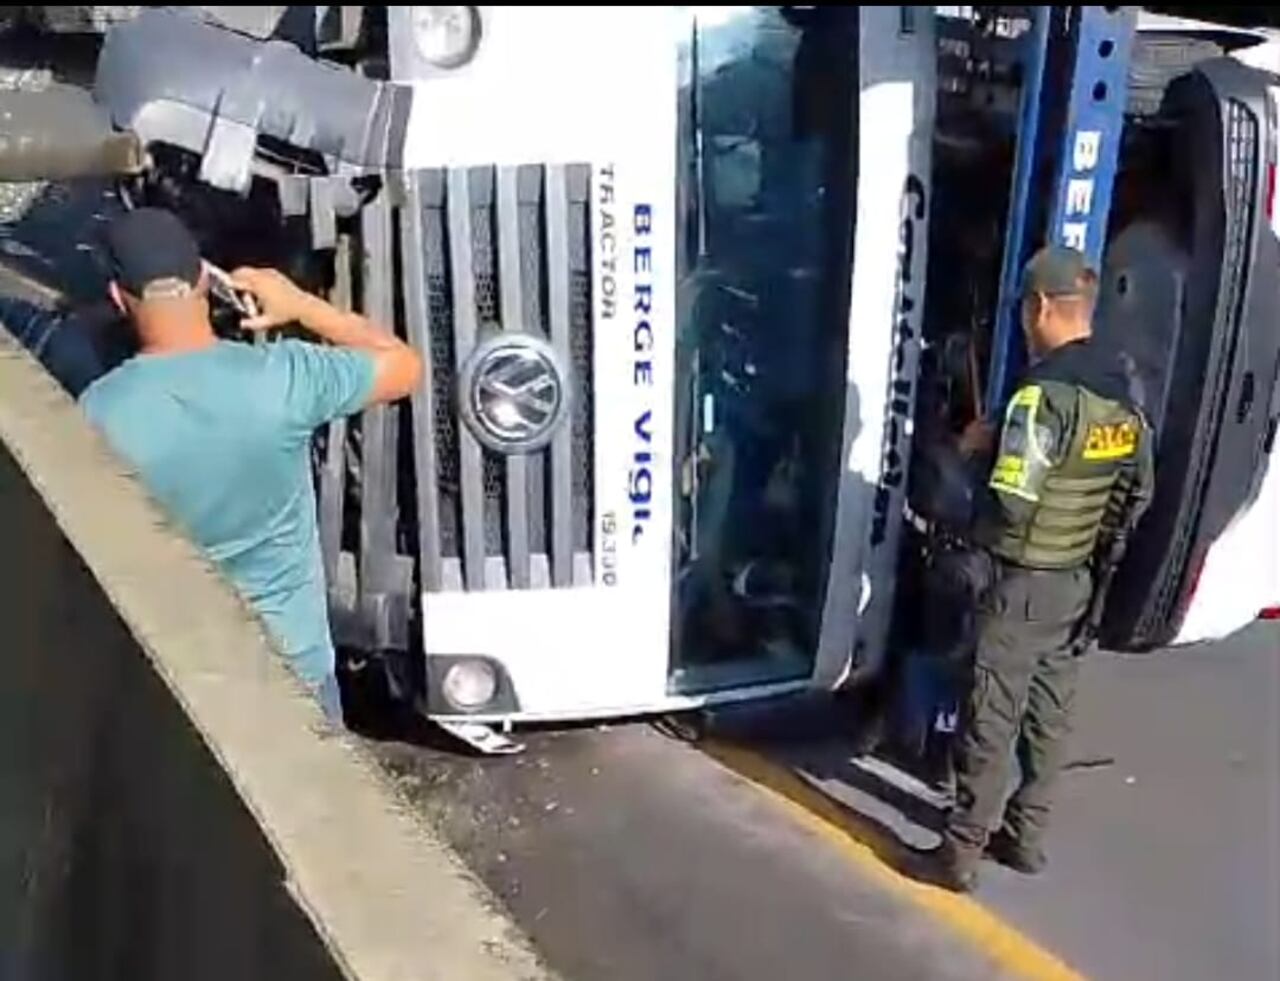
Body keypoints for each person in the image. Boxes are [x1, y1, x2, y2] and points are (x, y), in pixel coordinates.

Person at [78, 208, 423, 722]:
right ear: (205, 280)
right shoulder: (282, 378)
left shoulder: (98, 413)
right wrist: (301, 305)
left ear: (117, 298)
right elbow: (404, 366)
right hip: (296, 672)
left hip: (185, 684)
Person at [923, 245, 1155, 892]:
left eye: (1027, 310)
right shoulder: (1123, 389)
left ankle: (959, 851)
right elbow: (1136, 492)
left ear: (1042, 306)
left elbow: (1011, 496)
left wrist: (976, 457)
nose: (1026, 324)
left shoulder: (1038, 395)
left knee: (992, 709)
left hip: (1020, 577)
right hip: (1077, 578)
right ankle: (1025, 836)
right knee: (1049, 712)